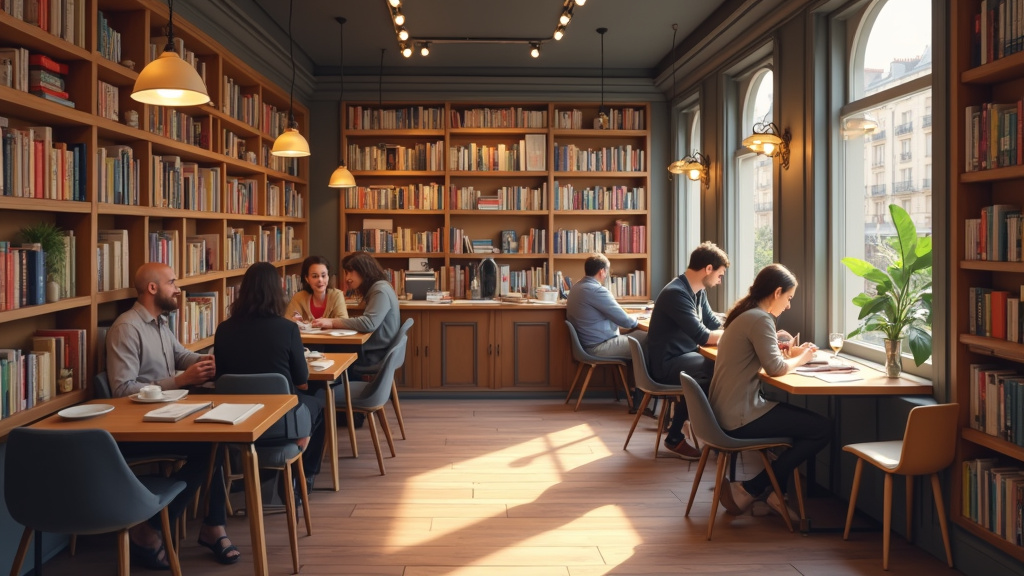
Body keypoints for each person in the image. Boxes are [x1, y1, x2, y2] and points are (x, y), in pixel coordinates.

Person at [106, 262, 238, 567]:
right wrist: (179, 381)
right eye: (172, 283)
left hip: (167, 416)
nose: (177, 289)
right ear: (152, 288)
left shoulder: (160, 323)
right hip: (139, 428)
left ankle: (208, 526)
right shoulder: (127, 328)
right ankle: (152, 528)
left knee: (217, 438)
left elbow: (181, 356)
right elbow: (121, 390)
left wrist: (215, 361)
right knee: (211, 446)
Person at [708, 263, 831, 519]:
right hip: (739, 416)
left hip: (723, 411)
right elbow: (775, 369)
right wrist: (804, 357)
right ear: (777, 292)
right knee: (821, 428)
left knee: (798, 425)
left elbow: (763, 357)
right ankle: (754, 488)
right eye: (788, 298)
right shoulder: (760, 318)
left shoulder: (746, 314)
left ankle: (775, 493)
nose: (788, 305)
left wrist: (786, 351)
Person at [213, 262, 326, 495]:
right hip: (280, 422)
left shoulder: (224, 329)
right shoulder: (287, 329)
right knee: (318, 403)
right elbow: (302, 381)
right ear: (278, 291)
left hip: (234, 421)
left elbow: (219, 378)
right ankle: (303, 474)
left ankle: (264, 472)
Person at [646, 241, 729, 459]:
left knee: (714, 371)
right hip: (667, 363)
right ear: (708, 269)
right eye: (719, 275)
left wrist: (741, 326)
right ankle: (680, 436)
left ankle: (689, 428)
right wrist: (739, 336)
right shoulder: (676, 293)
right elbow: (703, 336)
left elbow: (712, 323)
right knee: (715, 373)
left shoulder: (697, 290)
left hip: (683, 357)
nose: (720, 281)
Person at [312, 252, 400, 376]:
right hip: (376, 348)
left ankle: (327, 391)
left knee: (322, 351)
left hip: (374, 354)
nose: (347, 278)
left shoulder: (379, 290)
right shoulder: (380, 287)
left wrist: (332, 322)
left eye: (349, 272)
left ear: (363, 271)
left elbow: (369, 323)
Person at [566, 253, 647, 358]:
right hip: (599, 347)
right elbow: (626, 321)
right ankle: (649, 374)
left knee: (639, 336)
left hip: (585, 346)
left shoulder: (576, 288)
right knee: (648, 338)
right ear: (602, 271)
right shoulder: (597, 291)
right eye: (607, 271)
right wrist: (638, 319)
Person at [285, 255, 348, 324]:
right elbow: (287, 322)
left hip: (328, 335)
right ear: (307, 278)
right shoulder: (299, 297)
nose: (320, 280)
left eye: (323, 276)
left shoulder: (337, 295)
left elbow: (344, 322)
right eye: (315, 276)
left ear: (328, 277)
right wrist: (294, 321)